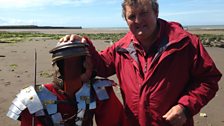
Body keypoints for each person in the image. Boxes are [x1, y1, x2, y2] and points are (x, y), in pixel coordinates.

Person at [59, 0, 222, 126]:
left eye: (144, 13)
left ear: (156, 12)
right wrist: (84, 44)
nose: (138, 20)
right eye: (131, 16)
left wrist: (185, 107)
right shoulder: (121, 48)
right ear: (126, 20)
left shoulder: (185, 43)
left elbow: (208, 80)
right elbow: (101, 65)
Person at [6, 41, 128, 126]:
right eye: (67, 64)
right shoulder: (33, 97)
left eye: (77, 63)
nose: (72, 69)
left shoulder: (100, 90)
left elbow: (115, 122)